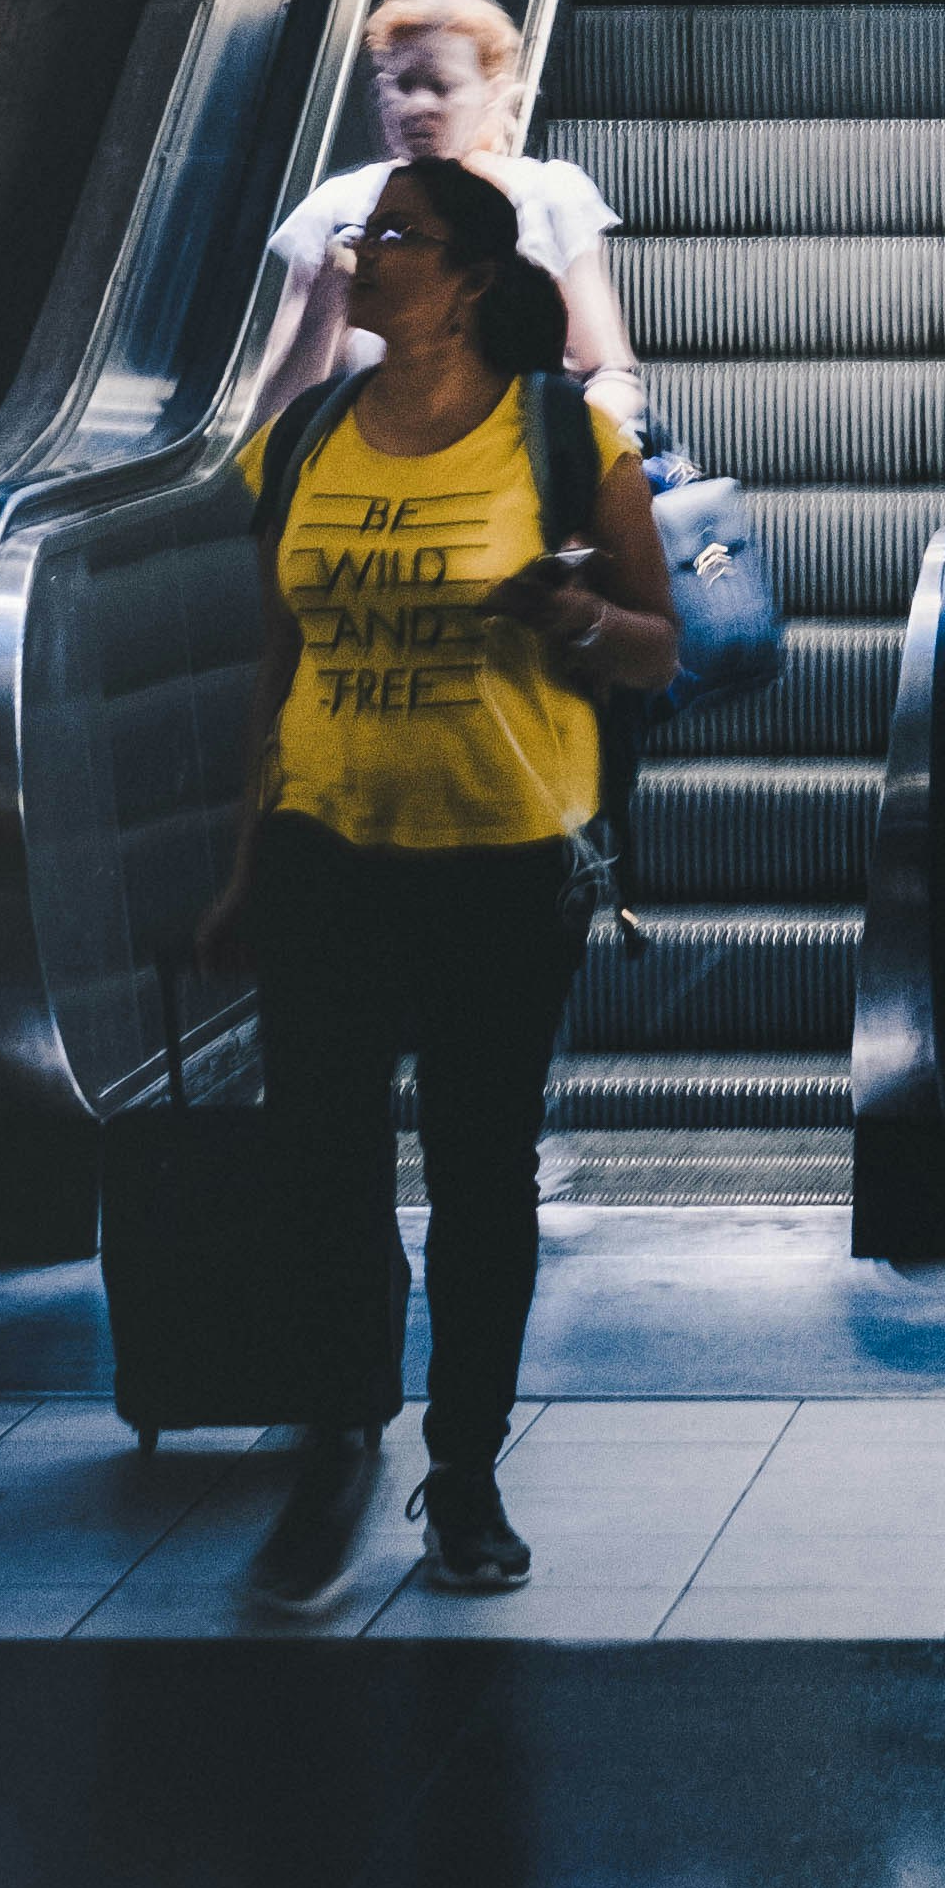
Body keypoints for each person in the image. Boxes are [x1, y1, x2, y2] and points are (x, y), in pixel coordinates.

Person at [200, 154, 680, 1605]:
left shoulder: (562, 436)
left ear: (468, 278)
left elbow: (658, 645)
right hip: (326, 851)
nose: (363, 249)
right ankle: (337, 1445)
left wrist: (575, 613)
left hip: (501, 860)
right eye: (363, 229)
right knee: (320, 1171)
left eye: (395, 234)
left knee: (480, 1178)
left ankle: (464, 1473)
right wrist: (244, 862)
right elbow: (278, 661)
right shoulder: (301, 440)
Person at [255, 0, 639, 430]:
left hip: (518, 454)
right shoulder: (338, 208)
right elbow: (277, 416)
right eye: (403, 84)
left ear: (492, 93)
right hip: (384, 455)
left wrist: (562, 445)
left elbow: (610, 373)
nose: (418, 105)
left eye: (442, 87)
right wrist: (330, 301)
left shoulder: (550, 194)